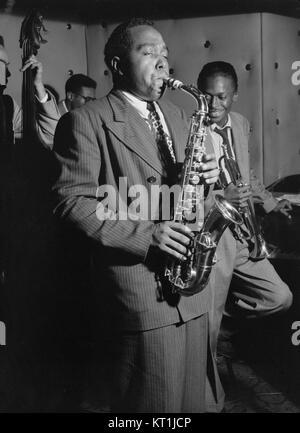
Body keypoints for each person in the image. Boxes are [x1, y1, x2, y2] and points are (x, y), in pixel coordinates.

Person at [52, 18, 224, 413]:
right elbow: (72, 202)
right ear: (117, 63)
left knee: (194, 405)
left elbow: (187, 197)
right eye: (148, 53)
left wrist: (206, 179)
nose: (163, 62)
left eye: (165, 54)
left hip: (193, 290)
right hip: (142, 291)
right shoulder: (84, 120)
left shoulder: (182, 118)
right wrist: (147, 235)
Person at [196, 61, 293, 358]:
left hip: (244, 233)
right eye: (207, 95)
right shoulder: (189, 129)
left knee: (280, 297)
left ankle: (222, 325)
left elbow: (246, 175)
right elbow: (183, 193)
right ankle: (209, 401)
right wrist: (222, 197)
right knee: (206, 334)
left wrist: (272, 204)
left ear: (234, 95)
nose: (213, 104)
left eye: (222, 97)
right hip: (215, 235)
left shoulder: (240, 122)